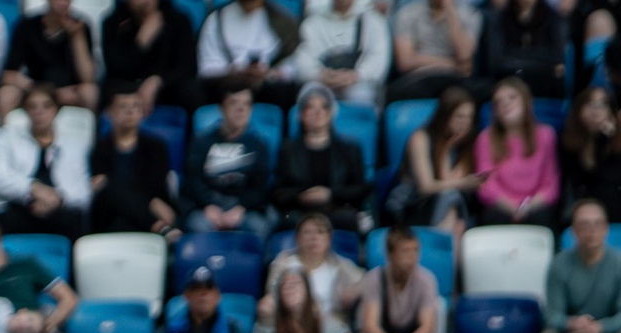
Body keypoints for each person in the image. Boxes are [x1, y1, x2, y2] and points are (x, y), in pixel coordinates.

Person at [0, 83, 90, 238]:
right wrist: (32, 189)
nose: (39, 112)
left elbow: (82, 192)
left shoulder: (74, 145)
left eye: (46, 106)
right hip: (16, 205)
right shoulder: (5, 136)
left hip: (57, 209)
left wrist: (57, 199)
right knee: (0, 220)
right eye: (33, 107)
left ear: (56, 110)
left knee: (74, 218)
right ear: (25, 110)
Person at [196, 0, 301, 108]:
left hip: (267, 88)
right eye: (245, 0)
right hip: (226, 87)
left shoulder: (283, 22)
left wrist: (270, 73)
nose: (249, 5)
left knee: (285, 92)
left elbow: (291, 67)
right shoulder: (216, 20)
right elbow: (206, 68)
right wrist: (235, 72)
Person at [272, 84, 371, 234]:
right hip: (299, 211)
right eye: (311, 107)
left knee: (350, 220)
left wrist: (330, 194)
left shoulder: (349, 148)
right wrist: (301, 197)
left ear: (331, 113)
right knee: (286, 220)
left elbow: (360, 188)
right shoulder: (288, 149)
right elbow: (279, 192)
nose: (318, 112)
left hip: (337, 209)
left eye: (324, 107)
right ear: (301, 115)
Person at [102, 0, 201, 112]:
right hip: (128, 84)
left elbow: (187, 65)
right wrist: (141, 41)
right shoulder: (113, 22)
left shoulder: (178, 19)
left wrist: (158, 80)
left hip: (168, 85)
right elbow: (115, 67)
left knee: (192, 90)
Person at [291, 0, 389, 108]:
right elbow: (301, 62)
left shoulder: (374, 21)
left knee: (360, 95)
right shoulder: (312, 23)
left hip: (359, 85)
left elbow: (379, 61)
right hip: (321, 83)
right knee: (310, 97)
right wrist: (322, 75)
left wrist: (356, 76)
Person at [0, 0, 100, 116]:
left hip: (67, 90)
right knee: (5, 94)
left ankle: (91, 136)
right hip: (34, 88)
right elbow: (9, 74)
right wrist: (39, 90)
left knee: (90, 93)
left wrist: (77, 37)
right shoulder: (26, 26)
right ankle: (4, 136)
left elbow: (88, 77)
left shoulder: (81, 26)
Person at [89, 87, 180, 237]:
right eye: (123, 106)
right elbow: (102, 190)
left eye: (135, 106)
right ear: (110, 112)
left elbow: (156, 184)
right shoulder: (100, 148)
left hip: (142, 211)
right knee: (111, 188)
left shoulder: (156, 146)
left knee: (112, 185)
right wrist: (151, 203)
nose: (130, 112)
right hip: (113, 214)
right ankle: (157, 226)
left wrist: (112, 183)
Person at [389, 0, 481, 102]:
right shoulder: (407, 14)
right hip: (419, 79)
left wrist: (450, 9)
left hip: (455, 81)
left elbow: (465, 56)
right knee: (393, 92)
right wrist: (451, 64)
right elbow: (405, 62)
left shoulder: (470, 15)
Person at [391, 86, 481, 233]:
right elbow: (426, 186)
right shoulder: (420, 138)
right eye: (459, 116)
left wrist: (449, 146)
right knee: (451, 197)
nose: (465, 123)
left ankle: (447, 246)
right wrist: (445, 148)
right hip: (413, 204)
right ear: (445, 115)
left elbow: (448, 182)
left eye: (469, 117)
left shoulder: (464, 143)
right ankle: (447, 248)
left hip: (444, 204)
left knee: (454, 203)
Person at [476, 77, 562, 227]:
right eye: (499, 102)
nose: (505, 104)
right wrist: (513, 208)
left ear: (526, 102)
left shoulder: (546, 135)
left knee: (543, 219)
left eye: (512, 98)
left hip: (535, 206)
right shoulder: (485, 138)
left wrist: (526, 208)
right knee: (493, 217)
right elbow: (486, 186)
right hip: (501, 207)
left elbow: (550, 185)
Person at [481, 0, 571, 99]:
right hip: (506, 80)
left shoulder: (554, 18)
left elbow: (557, 58)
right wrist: (539, 61)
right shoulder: (498, 19)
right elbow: (496, 61)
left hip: (543, 83)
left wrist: (517, 60)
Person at [189, 87, 274, 233]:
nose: (241, 109)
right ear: (221, 108)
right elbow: (193, 179)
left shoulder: (259, 144)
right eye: (234, 103)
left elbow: (260, 185)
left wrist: (242, 208)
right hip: (208, 207)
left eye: (246, 104)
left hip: (244, 209)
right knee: (198, 226)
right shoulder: (202, 142)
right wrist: (208, 206)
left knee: (259, 226)